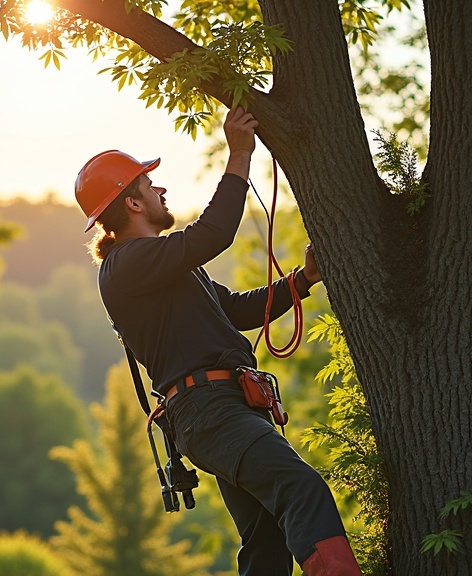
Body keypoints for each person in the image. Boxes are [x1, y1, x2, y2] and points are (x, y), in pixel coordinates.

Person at [74, 107, 362, 576]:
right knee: (301, 487)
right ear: (132, 204)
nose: (161, 190)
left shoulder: (161, 264)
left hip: (221, 407)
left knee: (267, 539)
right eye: (150, 185)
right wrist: (239, 155)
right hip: (210, 411)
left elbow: (237, 310)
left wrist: (303, 278)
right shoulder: (127, 264)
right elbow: (214, 234)